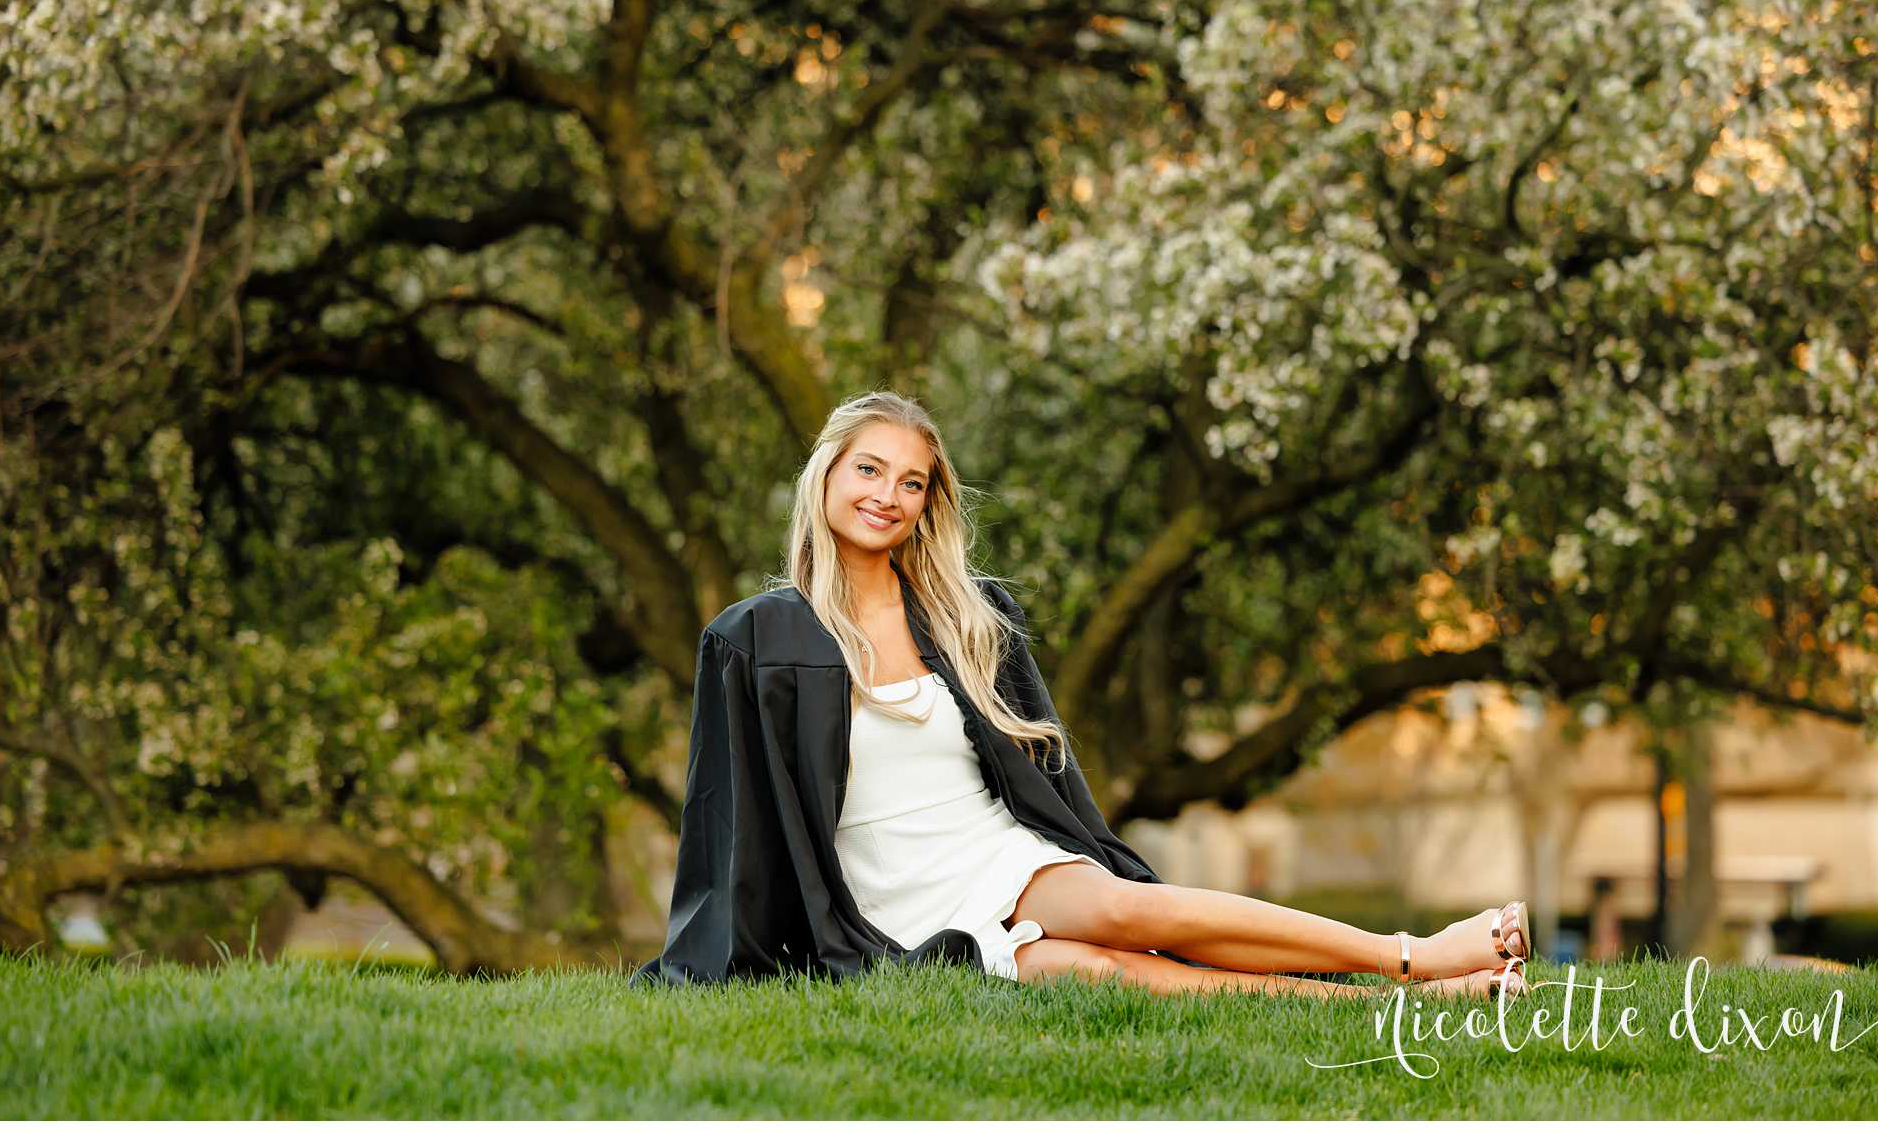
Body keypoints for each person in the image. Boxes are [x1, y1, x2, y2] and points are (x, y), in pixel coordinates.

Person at [634, 390, 1530, 1000]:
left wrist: (1073, 848)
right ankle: (1365, 1004)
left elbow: (1037, 778)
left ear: (928, 503)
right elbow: (731, 815)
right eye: (870, 470)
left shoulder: (971, 618)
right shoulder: (758, 640)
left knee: (1127, 910)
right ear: (827, 474)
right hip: (888, 902)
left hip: (987, 853)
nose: (888, 496)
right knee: (1102, 971)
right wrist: (718, 951)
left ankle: (1410, 957)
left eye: (912, 482)